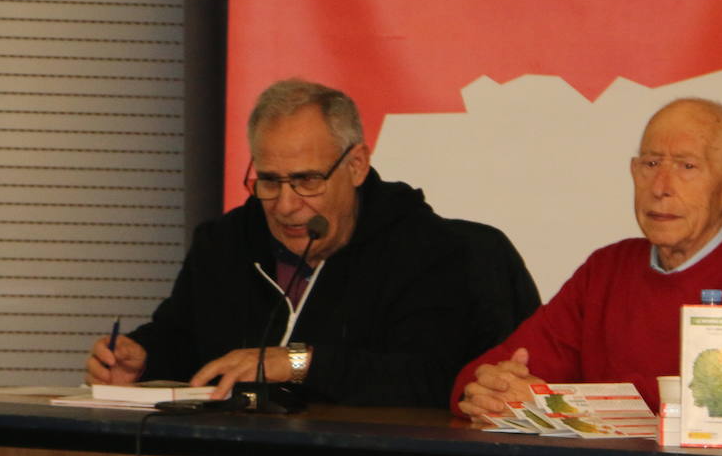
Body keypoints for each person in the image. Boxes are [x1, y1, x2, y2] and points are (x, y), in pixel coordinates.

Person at [85, 78, 475, 408]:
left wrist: (297, 363)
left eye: (307, 181)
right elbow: (184, 339)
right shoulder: (224, 241)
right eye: (270, 182)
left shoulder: (426, 249)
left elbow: (434, 376)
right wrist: (142, 360)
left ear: (356, 165)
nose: (286, 207)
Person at [454, 97, 722, 418]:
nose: (661, 187)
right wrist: (489, 389)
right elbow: (483, 375)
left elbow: (716, 402)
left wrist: (556, 401)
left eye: (686, 166)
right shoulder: (607, 269)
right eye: (650, 164)